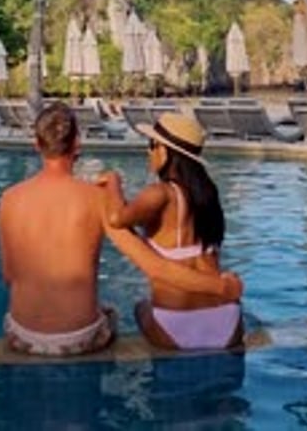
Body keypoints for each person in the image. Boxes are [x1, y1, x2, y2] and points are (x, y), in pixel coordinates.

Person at [0, 101, 243, 357]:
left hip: (22, 337)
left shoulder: (9, 199)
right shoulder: (96, 199)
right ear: (77, 144)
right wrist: (221, 288)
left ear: (37, 144)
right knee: (110, 314)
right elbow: (155, 267)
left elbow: (8, 276)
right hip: (80, 339)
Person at [100, 111, 244, 351]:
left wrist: (113, 182)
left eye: (151, 145)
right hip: (228, 323)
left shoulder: (161, 193)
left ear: (164, 151)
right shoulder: (208, 195)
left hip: (174, 327)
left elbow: (116, 218)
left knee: (140, 307)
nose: (148, 152)